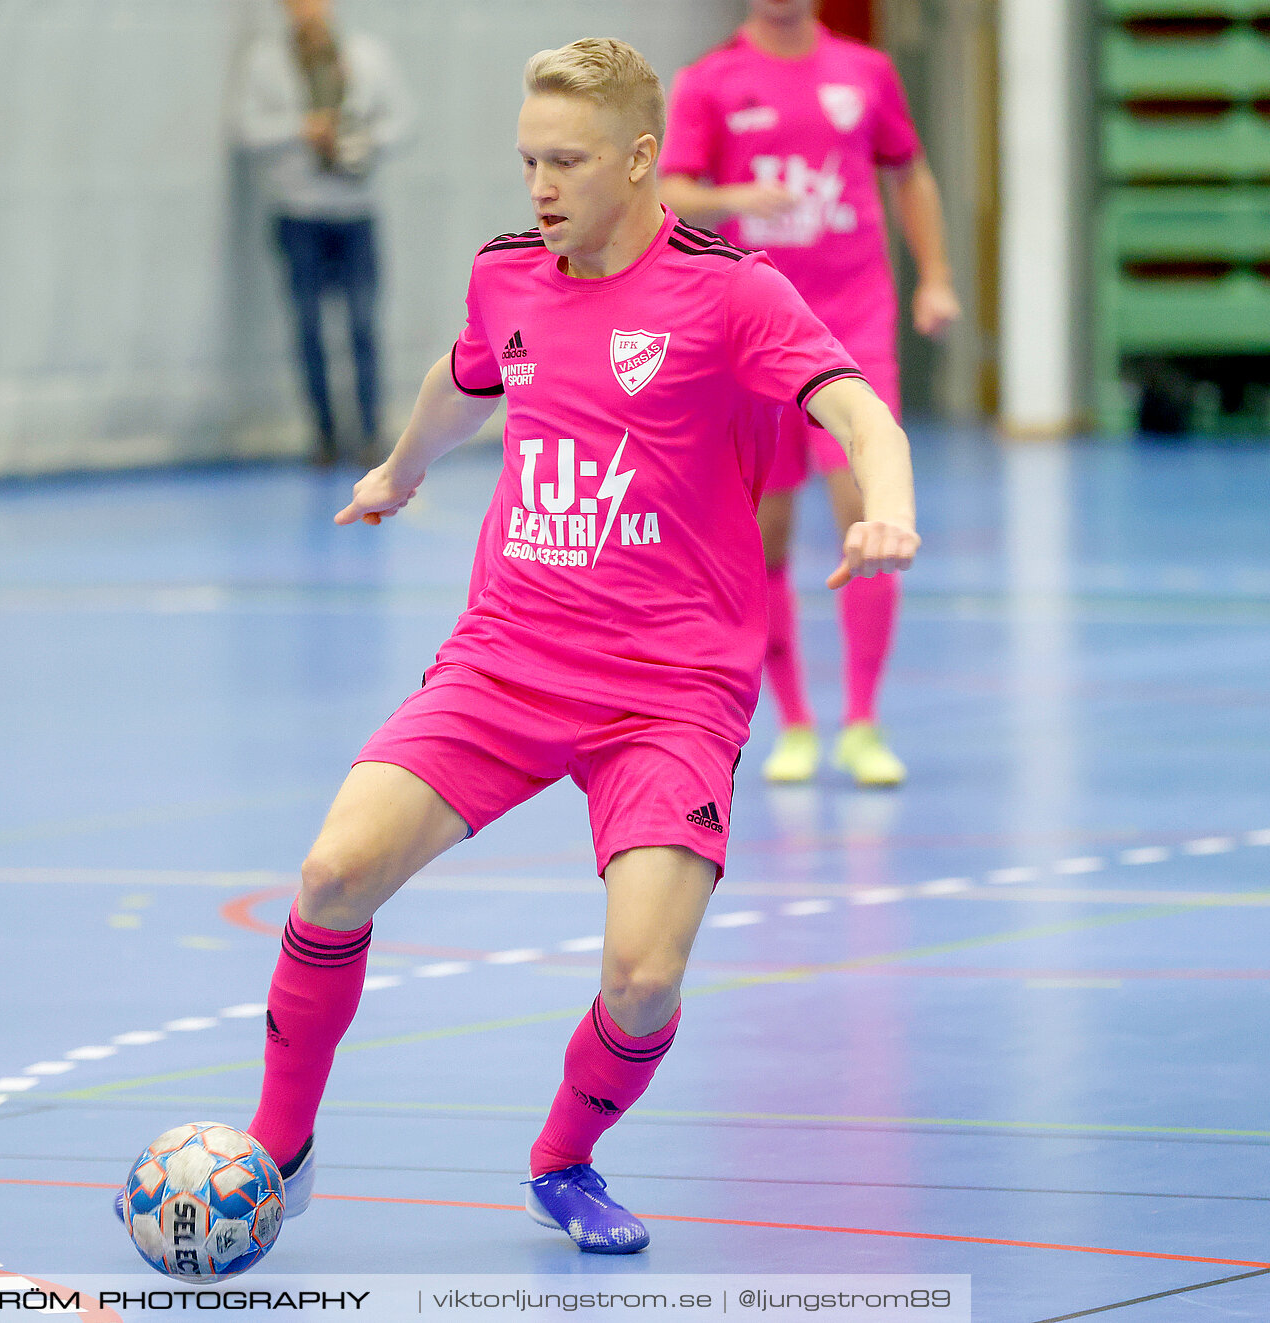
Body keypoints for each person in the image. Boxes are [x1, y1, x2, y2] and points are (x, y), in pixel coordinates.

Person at [125, 37, 918, 1254]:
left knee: (644, 977)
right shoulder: (510, 275)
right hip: (507, 657)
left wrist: (887, 502)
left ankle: (565, 1159)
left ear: (642, 160)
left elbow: (858, 406)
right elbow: (466, 377)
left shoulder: (732, 292)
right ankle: (279, 1148)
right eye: (528, 160)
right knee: (334, 875)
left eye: (568, 161)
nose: (540, 186)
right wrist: (400, 468)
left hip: (672, 691)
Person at [659, 0, 958, 786]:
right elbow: (671, 193)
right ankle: (792, 720)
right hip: (752, 339)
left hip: (854, 327)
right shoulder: (709, 82)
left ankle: (862, 719)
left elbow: (910, 171)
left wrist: (934, 278)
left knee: (868, 514)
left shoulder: (866, 72)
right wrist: (733, 202)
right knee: (764, 535)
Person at [236, 0, 410, 465]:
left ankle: (372, 433)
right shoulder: (265, 61)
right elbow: (246, 131)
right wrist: (302, 131)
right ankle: (325, 436)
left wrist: (360, 136)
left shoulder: (367, 55)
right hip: (299, 213)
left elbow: (401, 123)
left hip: (355, 211)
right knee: (309, 326)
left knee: (362, 325)